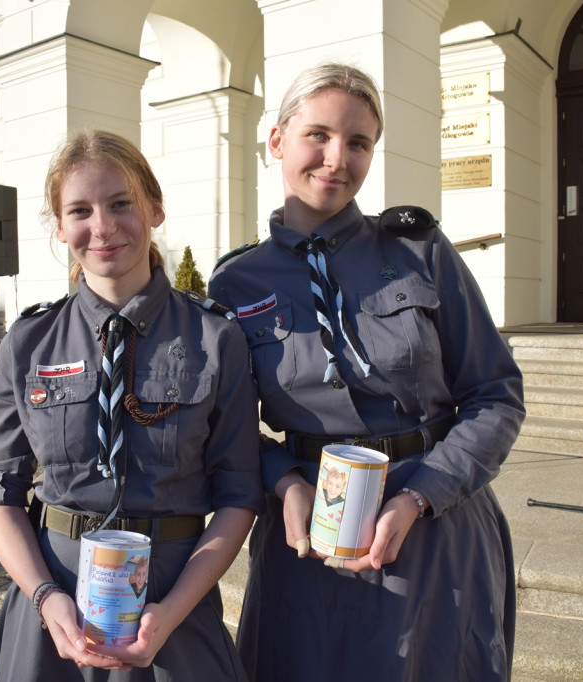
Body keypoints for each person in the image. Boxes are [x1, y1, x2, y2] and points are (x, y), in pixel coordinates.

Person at [208, 63, 526, 681]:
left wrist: (419, 495)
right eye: (318, 136)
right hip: (306, 540)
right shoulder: (235, 282)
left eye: (359, 143)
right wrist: (283, 483)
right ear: (276, 141)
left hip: (435, 524)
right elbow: (226, 432)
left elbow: (496, 393)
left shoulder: (418, 251)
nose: (337, 159)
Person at [0, 129, 262, 681]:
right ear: (59, 226)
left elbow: (237, 493)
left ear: (154, 208)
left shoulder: (214, 338)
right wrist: (44, 598)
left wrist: (172, 611)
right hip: (54, 606)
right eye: (80, 210)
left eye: (121, 203)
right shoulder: (28, 341)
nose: (102, 227)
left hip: (173, 604)